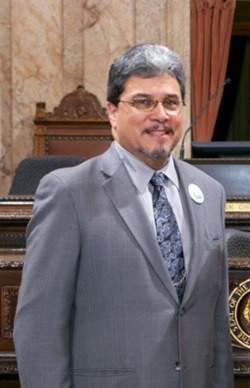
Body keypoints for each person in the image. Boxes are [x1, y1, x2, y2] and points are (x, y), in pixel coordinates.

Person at [14, 44, 234, 387]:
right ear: (112, 112)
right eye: (143, 102)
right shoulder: (68, 192)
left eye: (171, 102)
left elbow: (215, 328)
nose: (160, 114)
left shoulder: (209, 192)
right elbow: (39, 328)